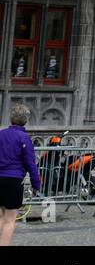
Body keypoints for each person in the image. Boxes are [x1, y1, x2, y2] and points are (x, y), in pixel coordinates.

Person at [0, 104, 40, 247]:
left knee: (2, 216)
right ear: (26, 120)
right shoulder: (24, 137)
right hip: (13, 180)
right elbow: (30, 163)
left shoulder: (1, 134)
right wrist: (36, 185)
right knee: (10, 219)